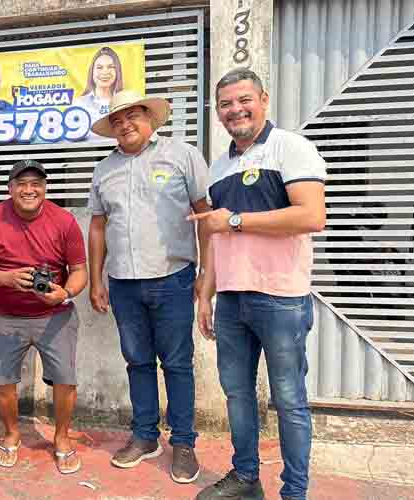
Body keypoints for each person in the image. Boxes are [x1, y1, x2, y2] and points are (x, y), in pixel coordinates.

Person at [191, 68, 326, 500]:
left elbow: (311, 215)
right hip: (231, 298)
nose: (235, 110)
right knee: (237, 395)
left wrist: (233, 220)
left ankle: (295, 492)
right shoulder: (220, 166)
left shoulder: (292, 148)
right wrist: (206, 292)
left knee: (289, 401)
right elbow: (213, 235)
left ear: (263, 100)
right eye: (226, 104)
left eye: (243, 100)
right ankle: (246, 477)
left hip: (281, 298)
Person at [88, 89, 210, 484]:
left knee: (176, 363)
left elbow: (204, 214)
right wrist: (96, 279)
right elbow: (97, 226)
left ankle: (184, 442)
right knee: (137, 361)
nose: (125, 124)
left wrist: (207, 272)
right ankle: (144, 436)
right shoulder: (104, 169)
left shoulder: (182, 155)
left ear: (151, 118)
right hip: (123, 282)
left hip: (172, 279)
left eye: (133, 115)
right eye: (117, 120)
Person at [0, 159, 88, 475]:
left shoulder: (64, 221)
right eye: (21, 183)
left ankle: (61, 438)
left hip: (55, 315)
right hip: (4, 315)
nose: (29, 189)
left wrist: (64, 293)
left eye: (36, 183)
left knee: (65, 379)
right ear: (10, 188)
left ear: (44, 188)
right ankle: (11, 434)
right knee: (3, 381)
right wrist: (8, 278)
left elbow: (79, 271)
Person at [72, 46, 125, 140]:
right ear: (92, 72)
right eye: (99, 67)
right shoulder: (78, 104)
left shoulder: (126, 103)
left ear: (117, 71)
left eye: (111, 67)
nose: (105, 72)